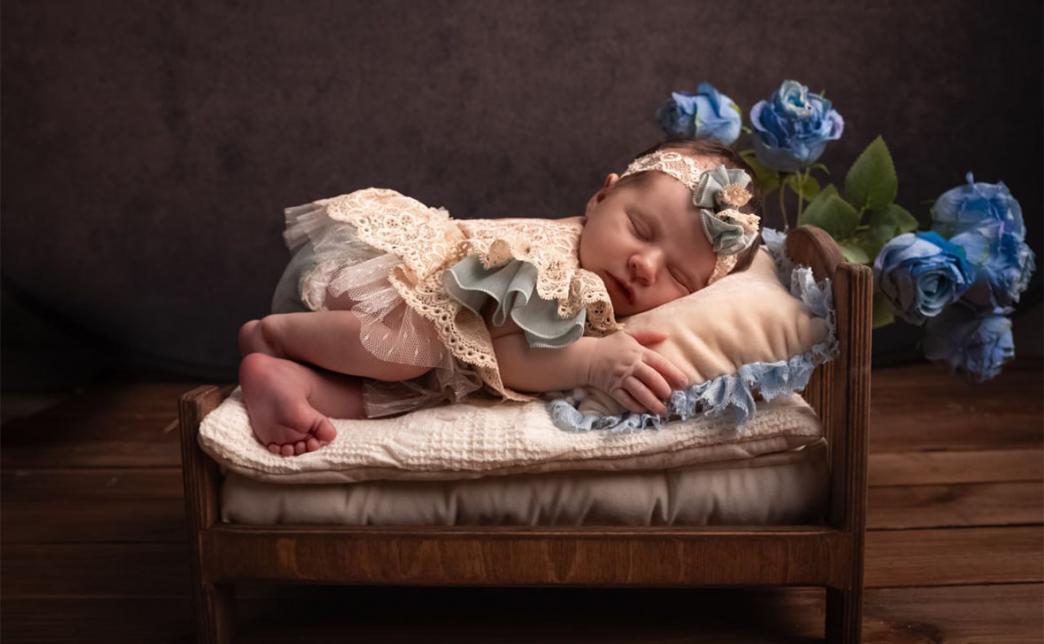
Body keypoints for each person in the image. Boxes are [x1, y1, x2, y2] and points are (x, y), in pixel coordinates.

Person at [238, 138, 764, 456]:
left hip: (370, 346)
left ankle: (288, 382)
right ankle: (275, 335)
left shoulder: (600, 293)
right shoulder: (556, 261)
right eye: (639, 229)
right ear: (601, 197)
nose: (644, 265)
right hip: (372, 279)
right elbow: (504, 353)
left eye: (677, 275)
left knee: (404, 392)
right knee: (418, 346)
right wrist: (594, 361)